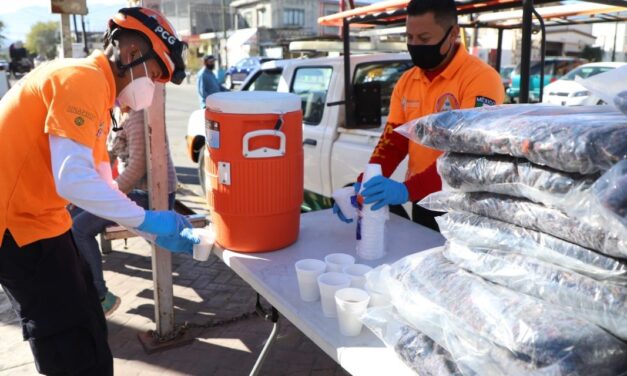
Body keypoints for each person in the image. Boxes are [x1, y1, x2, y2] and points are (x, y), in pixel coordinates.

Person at [0, 7, 198, 375]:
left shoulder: (99, 97)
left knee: (88, 316)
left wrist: (150, 229)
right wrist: (149, 219)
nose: (152, 89)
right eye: (155, 76)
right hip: (17, 229)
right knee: (68, 342)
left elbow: (102, 185)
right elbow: (72, 178)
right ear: (131, 54)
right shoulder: (81, 79)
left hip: (43, 222)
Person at [333, 0, 504, 231]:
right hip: (422, 199)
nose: (414, 45)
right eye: (409, 37)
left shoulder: (480, 79)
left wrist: (406, 190)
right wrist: (364, 185)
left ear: (453, 33)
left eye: (424, 39)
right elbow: (393, 142)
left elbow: (468, 152)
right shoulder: (407, 81)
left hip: (463, 204)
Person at [70, 108, 179, 317]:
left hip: (150, 195)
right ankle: (85, 289)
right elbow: (109, 153)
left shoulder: (137, 113)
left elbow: (138, 167)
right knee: (71, 216)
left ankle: (100, 296)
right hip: (136, 191)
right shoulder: (119, 111)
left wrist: (106, 195)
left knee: (79, 229)